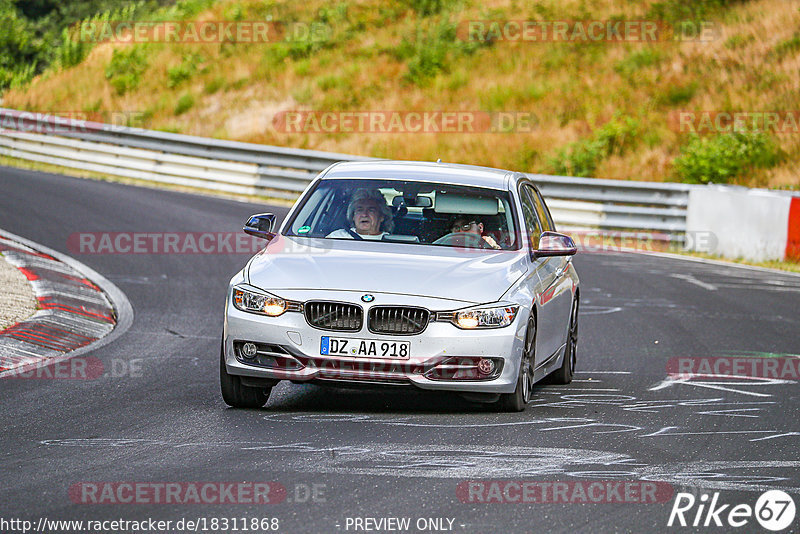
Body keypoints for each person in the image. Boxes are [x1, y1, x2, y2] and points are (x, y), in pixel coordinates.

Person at [327, 188, 394, 240]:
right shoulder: (337, 236)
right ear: (353, 216)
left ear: (381, 217)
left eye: (371, 210)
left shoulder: (391, 240)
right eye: (360, 210)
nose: (364, 214)